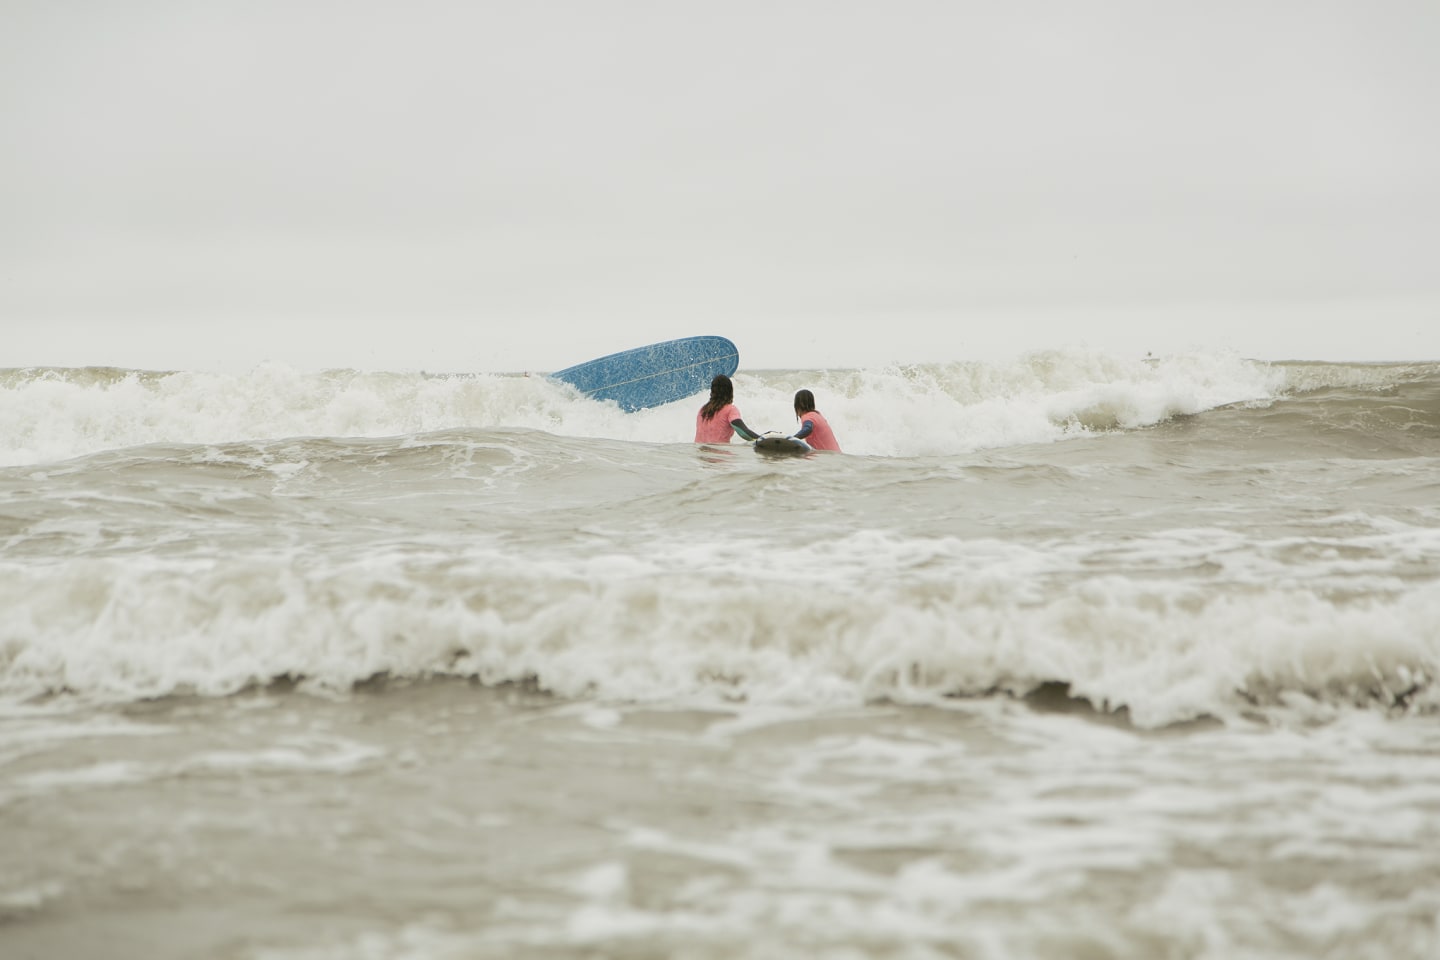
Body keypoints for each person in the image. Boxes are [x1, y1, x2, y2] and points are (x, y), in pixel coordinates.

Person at [695, 374, 763, 443]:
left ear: (712, 391)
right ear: (730, 391)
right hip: (718, 453)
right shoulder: (730, 410)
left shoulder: (702, 410)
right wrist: (763, 440)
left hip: (698, 453)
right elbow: (743, 433)